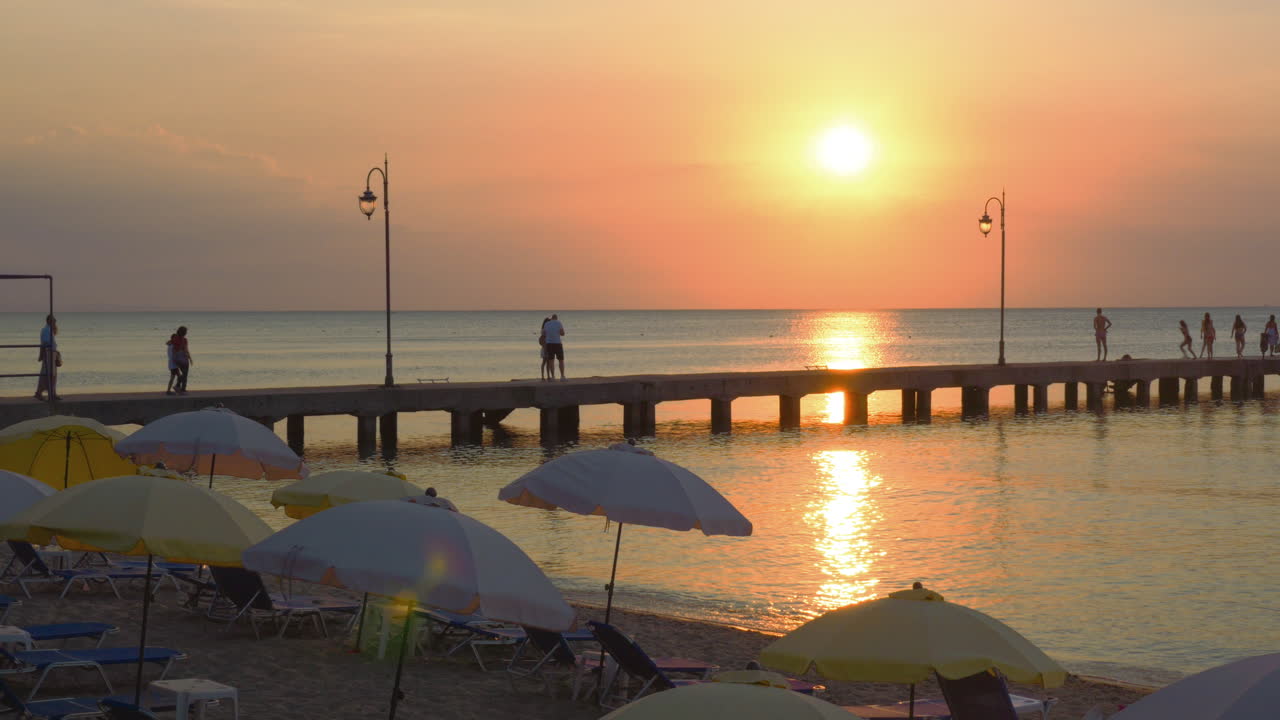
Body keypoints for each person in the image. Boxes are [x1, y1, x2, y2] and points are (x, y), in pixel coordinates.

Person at [34, 314, 60, 401]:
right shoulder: (46, 330)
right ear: (50, 321)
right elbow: (45, 343)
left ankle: (51, 393)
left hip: (51, 354)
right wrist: (42, 354)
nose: (55, 322)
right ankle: (45, 393)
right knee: (49, 374)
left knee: (50, 374)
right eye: (54, 321)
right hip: (49, 354)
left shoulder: (49, 330)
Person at [542, 313, 566, 380]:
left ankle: (553, 377)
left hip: (549, 344)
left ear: (551, 318)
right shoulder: (559, 323)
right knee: (561, 360)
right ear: (556, 318)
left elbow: (543, 334)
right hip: (558, 343)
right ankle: (562, 376)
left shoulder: (546, 324)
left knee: (551, 360)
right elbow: (562, 333)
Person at [171, 326, 192, 393]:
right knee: (185, 374)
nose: (186, 333)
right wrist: (189, 357)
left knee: (184, 374)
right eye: (185, 331)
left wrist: (189, 357)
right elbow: (184, 349)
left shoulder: (177, 339)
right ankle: (180, 387)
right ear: (183, 332)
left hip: (179, 358)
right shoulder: (181, 339)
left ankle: (180, 387)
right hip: (182, 358)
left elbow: (169, 344)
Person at [538, 317, 551, 381]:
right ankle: (543, 376)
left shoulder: (545, 329)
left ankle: (548, 376)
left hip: (547, 347)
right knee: (544, 362)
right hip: (545, 347)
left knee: (547, 362)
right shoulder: (544, 330)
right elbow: (542, 339)